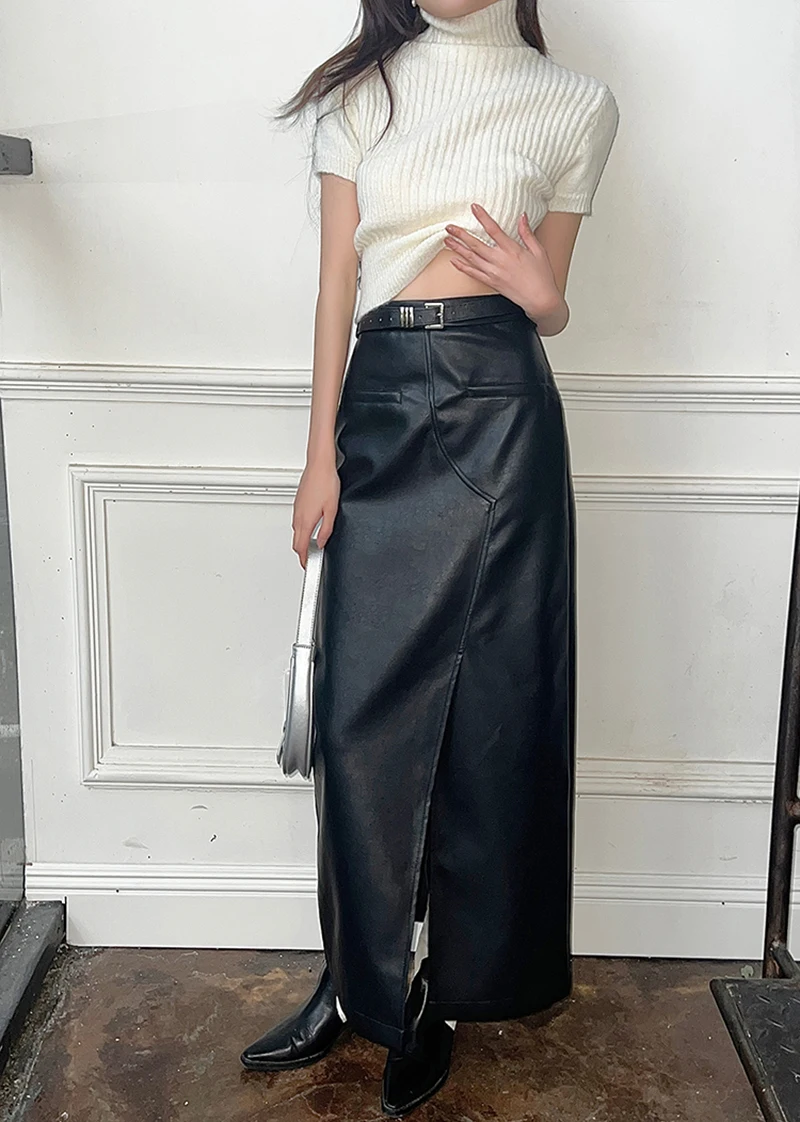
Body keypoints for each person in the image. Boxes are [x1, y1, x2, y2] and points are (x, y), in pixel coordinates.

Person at [241, 0, 620, 1115]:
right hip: (379, 404)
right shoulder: (366, 89)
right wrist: (318, 455)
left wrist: (544, 297)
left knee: (488, 720)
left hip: (501, 412)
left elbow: (550, 298)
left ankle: (439, 998)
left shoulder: (575, 104)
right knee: (355, 717)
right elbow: (335, 284)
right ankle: (352, 979)